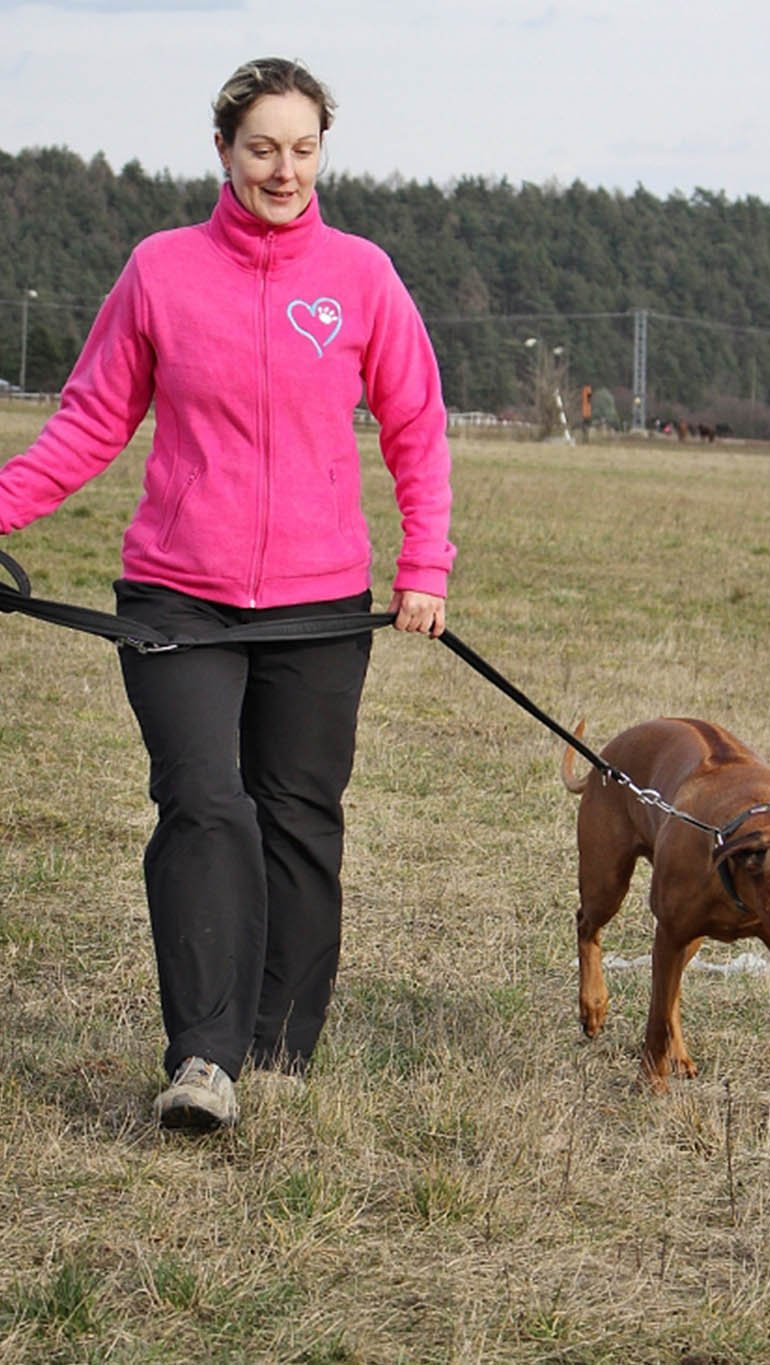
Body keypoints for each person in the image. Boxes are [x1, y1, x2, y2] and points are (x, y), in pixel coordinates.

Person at [0, 58, 455, 1130]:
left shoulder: (362, 276)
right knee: (204, 803)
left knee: (298, 818)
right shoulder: (160, 271)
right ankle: (204, 1060)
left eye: (302, 149)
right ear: (223, 153)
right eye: (262, 148)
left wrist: (423, 567)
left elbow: (416, 431)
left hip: (321, 604)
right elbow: (87, 423)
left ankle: (278, 1048)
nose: (283, 169)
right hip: (177, 598)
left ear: (321, 154)